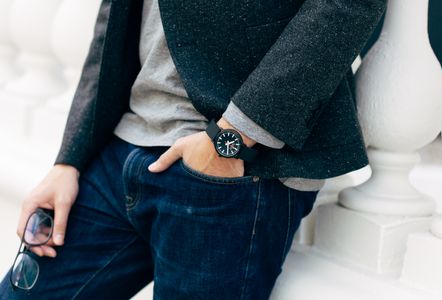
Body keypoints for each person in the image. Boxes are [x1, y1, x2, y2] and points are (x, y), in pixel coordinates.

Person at [0, 0, 386, 299]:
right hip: (121, 149)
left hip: (233, 168)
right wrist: (69, 160)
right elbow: (114, 21)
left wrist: (231, 139)